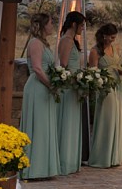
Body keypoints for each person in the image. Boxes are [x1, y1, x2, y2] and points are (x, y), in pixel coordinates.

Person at [20, 13, 61, 180]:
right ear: (43, 25)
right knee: (37, 126)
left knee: (45, 127)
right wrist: (51, 85)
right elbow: (37, 68)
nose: (52, 26)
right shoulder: (35, 43)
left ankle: (44, 167)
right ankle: (33, 168)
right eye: (50, 23)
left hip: (45, 89)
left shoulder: (45, 43)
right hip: (38, 88)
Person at [86, 23, 122, 168]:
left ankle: (114, 156)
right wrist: (101, 83)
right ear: (104, 36)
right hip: (104, 87)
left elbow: (118, 68)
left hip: (117, 86)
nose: (113, 40)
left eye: (115, 37)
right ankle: (102, 156)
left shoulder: (116, 48)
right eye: (111, 37)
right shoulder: (95, 51)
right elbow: (92, 72)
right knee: (107, 119)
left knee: (116, 118)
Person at [57, 11, 85, 175]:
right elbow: (64, 64)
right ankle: (65, 161)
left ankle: (71, 160)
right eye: (81, 25)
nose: (82, 28)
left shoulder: (73, 41)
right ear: (74, 25)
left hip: (75, 86)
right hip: (69, 86)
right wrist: (79, 78)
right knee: (68, 122)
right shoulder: (67, 41)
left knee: (73, 122)